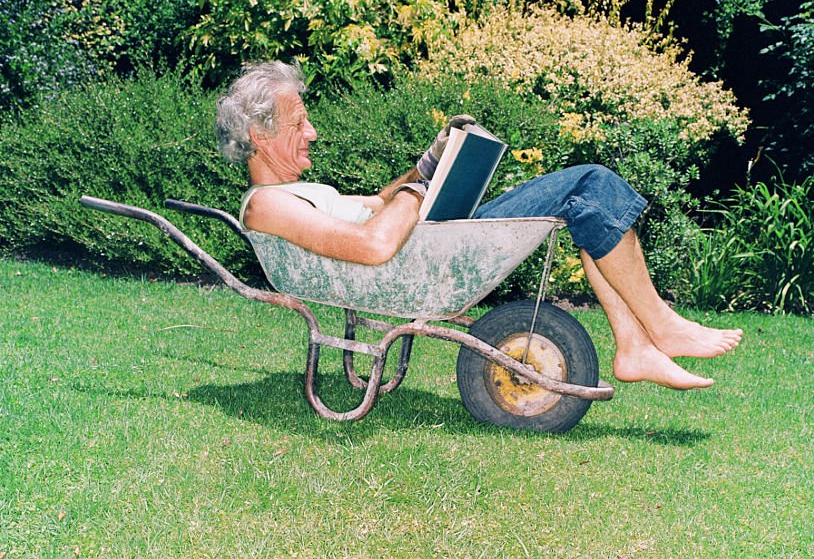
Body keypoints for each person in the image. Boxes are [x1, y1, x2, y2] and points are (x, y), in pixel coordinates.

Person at [215, 61, 742, 390]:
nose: (311, 130)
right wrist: (416, 193)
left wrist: (431, 161)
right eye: (298, 123)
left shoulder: (308, 194)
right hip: (420, 260)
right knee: (591, 184)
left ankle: (635, 344)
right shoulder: (266, 205)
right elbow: (376, 244)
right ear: (260, 137)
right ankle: (659, 325)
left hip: (427, 246)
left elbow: (378, 205)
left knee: (587, 198)